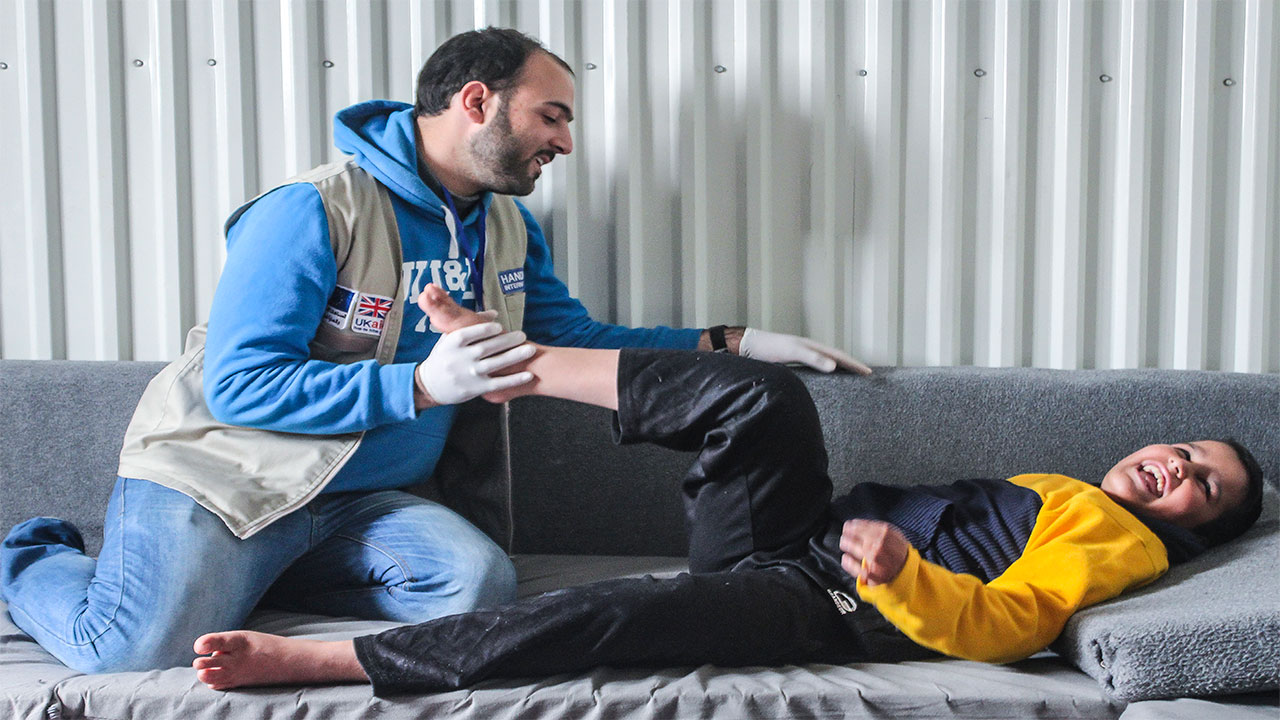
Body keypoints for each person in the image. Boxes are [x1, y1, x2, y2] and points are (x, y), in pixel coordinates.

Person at [0, 28, 866, 674]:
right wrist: (414, 385)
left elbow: (569, 339)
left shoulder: (505, 226)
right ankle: (29, 557)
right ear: (477, 101)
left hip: (358, 503)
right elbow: (238, 385)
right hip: (227, 482)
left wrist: (732, 342)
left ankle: (242, 582)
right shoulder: (312, 210)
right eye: (551, 114)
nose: (564, 141)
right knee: (127, 652)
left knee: (472, 587)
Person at [190, 285, 1265, 694]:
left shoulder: (1118, 547)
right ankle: (506, 360)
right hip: (801, 540)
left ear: (1192, 531)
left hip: (835, 604)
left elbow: (1003, 625)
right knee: (765, 401)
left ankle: (339, 658)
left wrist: (897, 578)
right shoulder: (1061, 486)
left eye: (1199, 486)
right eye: (1183, 452)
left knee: (618, 611)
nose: (1174, 467)